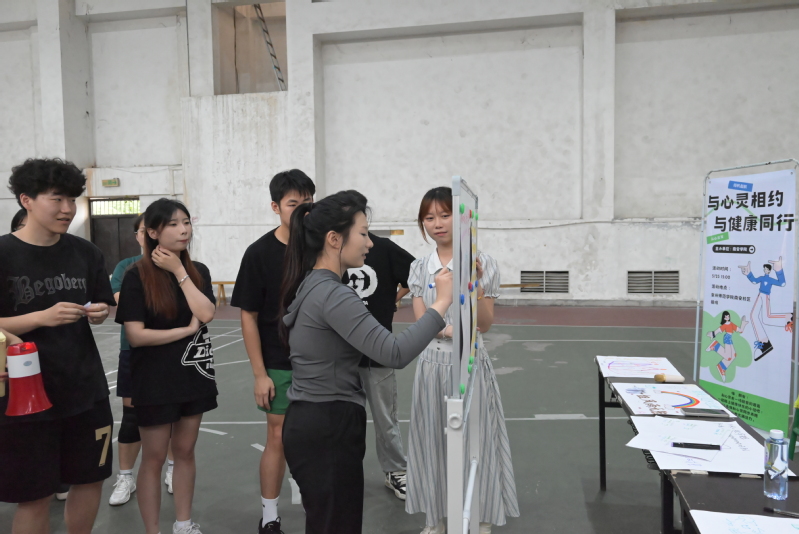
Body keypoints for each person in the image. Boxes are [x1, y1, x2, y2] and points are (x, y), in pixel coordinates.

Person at [279, 190, 453, 534]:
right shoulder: (333, 294)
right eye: (363, 233)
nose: (370, 243)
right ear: (334, 239)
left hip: (314, 421)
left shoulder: (314, 284)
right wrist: (441, 303)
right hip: (328, 425)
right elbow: (394, 353)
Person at [0, 158, 116, 534]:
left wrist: (99, 312)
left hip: (85, 390)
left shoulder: (86, 253)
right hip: (24, 398)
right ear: (26, 200)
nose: (67, 209)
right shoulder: (3, 254)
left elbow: (102, 304)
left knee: (90, 479)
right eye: (56, 199)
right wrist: (40, 317)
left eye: (72, 200)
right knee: (35, 495)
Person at [405, 187, 519, 534]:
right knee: (432, 442)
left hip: (469, 364)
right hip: (431, 366)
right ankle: (436, 519)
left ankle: (481, 518)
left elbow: (484, 323)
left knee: (476, 440)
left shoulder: (483, 263)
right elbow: (422, 323)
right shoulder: (419, 268)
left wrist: (476, 286)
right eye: (429, 217)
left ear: (462, 219)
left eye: (445, 215)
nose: (437, 223)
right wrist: (446, 329)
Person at [115, 198, 217, 534]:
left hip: (192, 375)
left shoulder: (198, 271)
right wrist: (184, 332)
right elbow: (136, 335)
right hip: (154, 380)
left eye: (186, 222)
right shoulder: (136, 276)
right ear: (153, 232)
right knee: (154, 457)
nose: (183, 229)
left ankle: (183, 523)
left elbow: (206, 313)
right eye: (173, 224)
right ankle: (153, 530)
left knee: (184, 452)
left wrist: (179, 272)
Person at [231, 170, 315, 534]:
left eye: (308, 202)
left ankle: (317, 506)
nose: (302, 210)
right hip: (279, 362)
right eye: (294, 203)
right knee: (278, 436)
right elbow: (248, 316)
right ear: (275, 207)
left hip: (319, 363)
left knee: (316, 436)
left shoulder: (322, 247)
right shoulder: (259, 253)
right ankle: (269, 515)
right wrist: (259, 374)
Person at [342, 232, 414, 500]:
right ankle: (342, 473)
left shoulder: (383, 248)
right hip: (339, 355)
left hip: (378, 352)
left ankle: (395, 470)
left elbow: (416, 275)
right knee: (341, 421)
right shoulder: (330, 248)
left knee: (385, 419)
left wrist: (391, 298)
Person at [108, 214, 175, 506]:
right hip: (133, 350)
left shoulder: (178, 264)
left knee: (172, 413)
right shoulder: (126, 267)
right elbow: (124, 301)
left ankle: (173, 468)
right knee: (132, 416)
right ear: (138, 235)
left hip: (172, 351)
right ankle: (125, 476)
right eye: (143, 230)